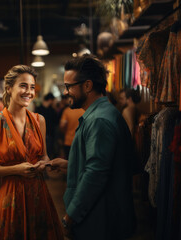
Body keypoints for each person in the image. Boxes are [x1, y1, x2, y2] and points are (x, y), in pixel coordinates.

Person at [50, 55, 137, 239]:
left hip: (101, 221)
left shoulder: (98, 120)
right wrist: (70, 164)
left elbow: (95, 175)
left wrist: (69, 217)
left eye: (69, 86)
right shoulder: (102, 113)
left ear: (87, 86)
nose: (66, 92)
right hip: (102, 217)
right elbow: (104, 163)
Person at [0, 65, 64, 240]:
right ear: (9, 88)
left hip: (38, 194)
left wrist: (45, 163)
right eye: (23, 86)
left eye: (32, 87)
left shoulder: (39, 120)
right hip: (10, 198)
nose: (28, 91)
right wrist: (16, 169)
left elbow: (44, 155)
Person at [35, 93, 59, 157]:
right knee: (47, 152)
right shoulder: (52, 110)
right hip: (48, 134)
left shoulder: (38, 109)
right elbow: (56, 122)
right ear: (50, 100)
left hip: (43, 134)